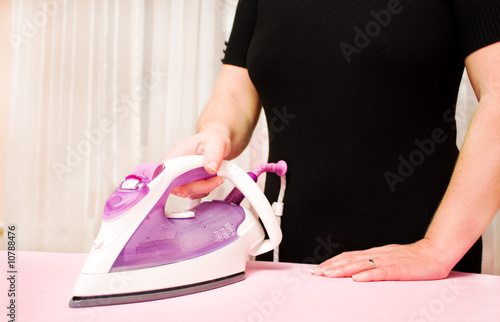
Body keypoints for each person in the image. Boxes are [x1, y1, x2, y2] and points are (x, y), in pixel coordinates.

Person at [165, 0, 500, 281]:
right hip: (283, 258)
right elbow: (235, 95)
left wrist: (437, 249)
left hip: (417, 265)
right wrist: (215, 134)